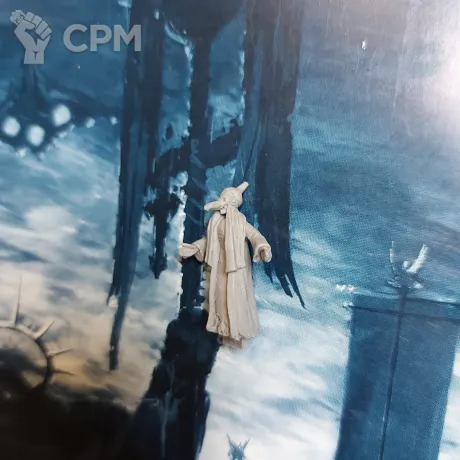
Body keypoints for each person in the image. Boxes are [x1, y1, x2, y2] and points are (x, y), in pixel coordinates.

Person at [179, 182, 272, 349]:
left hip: (236, 268)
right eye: (221, 198)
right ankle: (224, 330)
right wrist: (195, 248)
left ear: (232, 202)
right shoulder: (216, 222)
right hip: (221, 266)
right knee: (221, 298)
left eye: (224, 198)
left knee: (236, 299)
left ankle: (238, 333)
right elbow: (210, 242)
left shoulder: (240, 222)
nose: (220, 201)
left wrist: (262, 247)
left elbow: (254, 235)